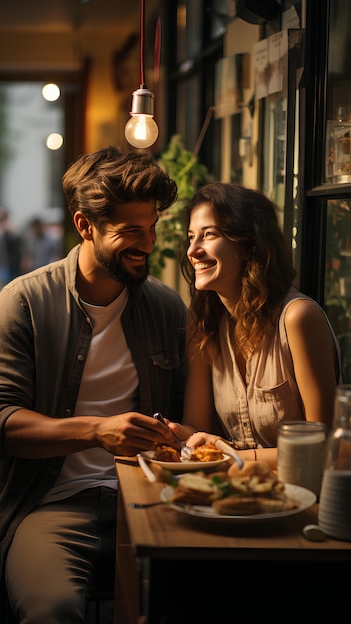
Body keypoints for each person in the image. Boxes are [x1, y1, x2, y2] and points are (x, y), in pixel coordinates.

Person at [0, 146, 187, 624]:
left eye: (152, 228)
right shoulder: (23, 303)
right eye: (130, 231)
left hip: (152, 497)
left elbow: (189, 420)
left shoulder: (167, 310)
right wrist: (96, 431)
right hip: (51, 504)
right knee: (51, 610)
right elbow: (5, 424)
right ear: (85, 226)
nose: (146, 245)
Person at [169, 182, 341, 469]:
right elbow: (197, 428)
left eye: (209, 234)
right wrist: (172, 434)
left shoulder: (297, 318)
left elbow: (323, 446)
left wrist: (228, 455)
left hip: (305, 497)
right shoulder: (204, 321)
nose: (193, 250)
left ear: (248, 244)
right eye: (191, 237)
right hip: (239, 492)